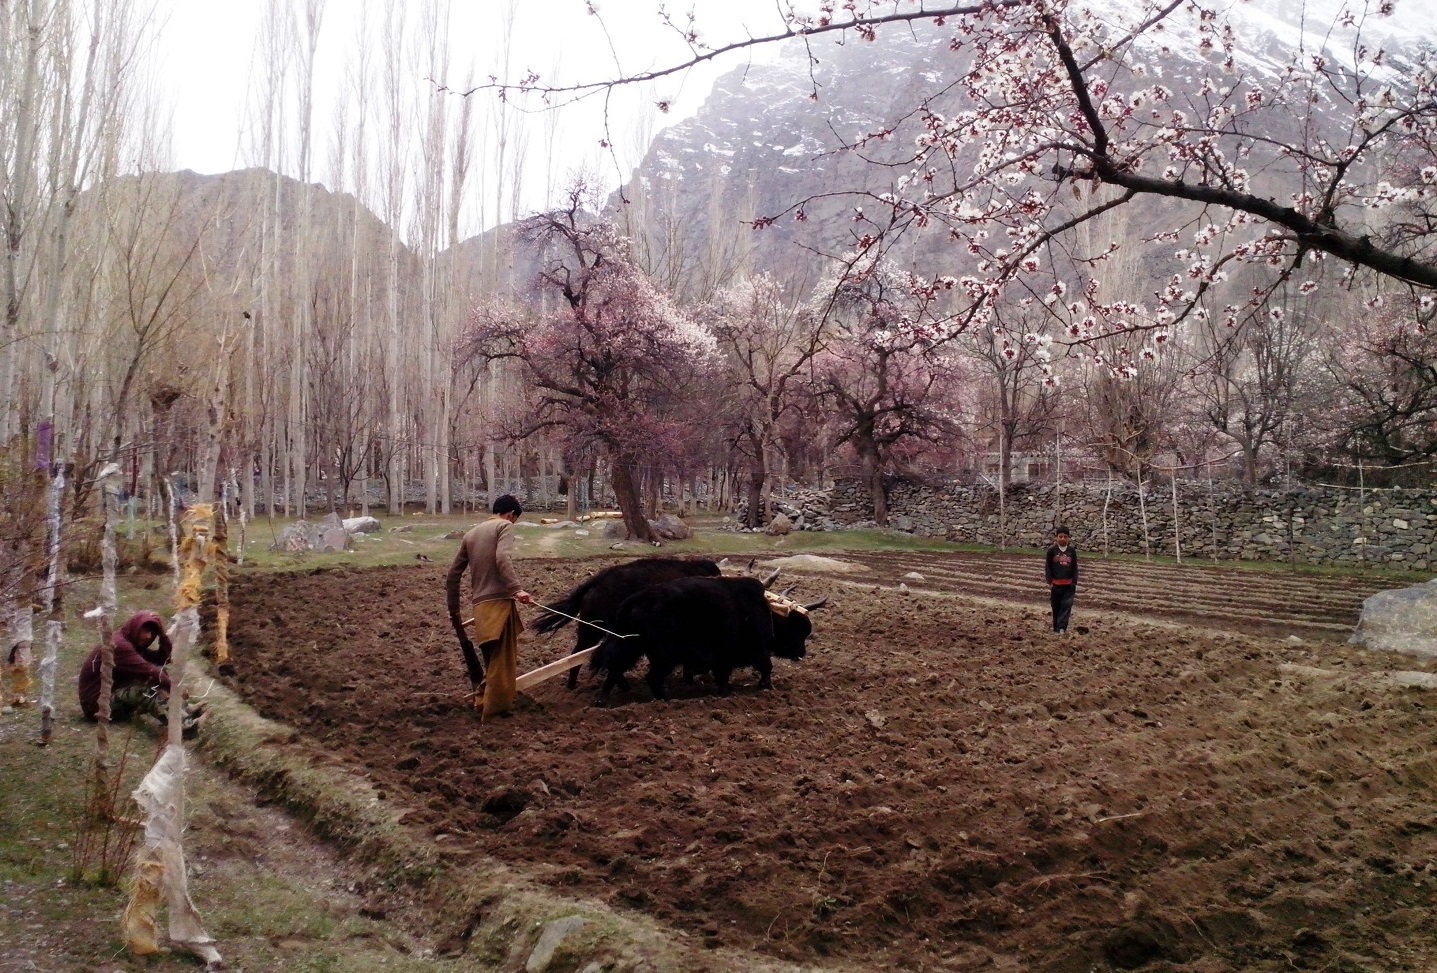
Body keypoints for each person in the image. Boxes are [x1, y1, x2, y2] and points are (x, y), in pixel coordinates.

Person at [446, 495, 534, 719]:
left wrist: (454, 610)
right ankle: (492, 709)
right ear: (510, 515)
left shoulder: (471, 534)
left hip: (480, 608)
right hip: (499, 605)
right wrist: (517, 589)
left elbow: (453, 574)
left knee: (492, 661)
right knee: (503, 663)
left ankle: (483, 703)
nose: (512, 523)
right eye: (514, 519)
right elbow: (502, 557)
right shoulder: (504, 526)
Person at [76, 610, 204, 735]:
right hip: (96, 707)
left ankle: (184, 709)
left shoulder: (132, 643)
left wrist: (162, 634)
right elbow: (150, 672)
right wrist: (176, 690)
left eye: (153, 633)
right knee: (144, 690)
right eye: (145, 630)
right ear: (135, 627)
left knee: (159, 671)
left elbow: (164, 659)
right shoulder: (119, 645)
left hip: (111, 694)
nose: (149, 636)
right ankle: (186, 727)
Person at [1044, 525, 1079, 635]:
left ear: (1068, 538)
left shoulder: (1071, 551)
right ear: (1056, 537)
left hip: (1068, 585)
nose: (1062, 539)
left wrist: (1074, 581)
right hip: (1056, 584)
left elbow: (1075, 567)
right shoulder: (1052, 551)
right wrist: (1050, 581)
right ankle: (1056, 628)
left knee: (1066, 606)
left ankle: (1062, 628)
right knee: (1056, 607)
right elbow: (1048, 566)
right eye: (1060, 536)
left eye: (1065, 537)